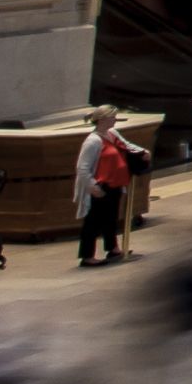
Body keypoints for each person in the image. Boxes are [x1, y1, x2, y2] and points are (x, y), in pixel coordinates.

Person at [72, 107, 139, 266]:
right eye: (112, 117)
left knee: (111, 217)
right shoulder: (92, 141)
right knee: (93, 221)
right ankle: (87, 256)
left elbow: (127, 146)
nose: (115, 120)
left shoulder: (112, 134)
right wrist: (92, 186)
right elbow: (82, 168)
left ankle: (112, 248)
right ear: (102, 119)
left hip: (114, 184)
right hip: (100, 186)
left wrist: (142, 152)